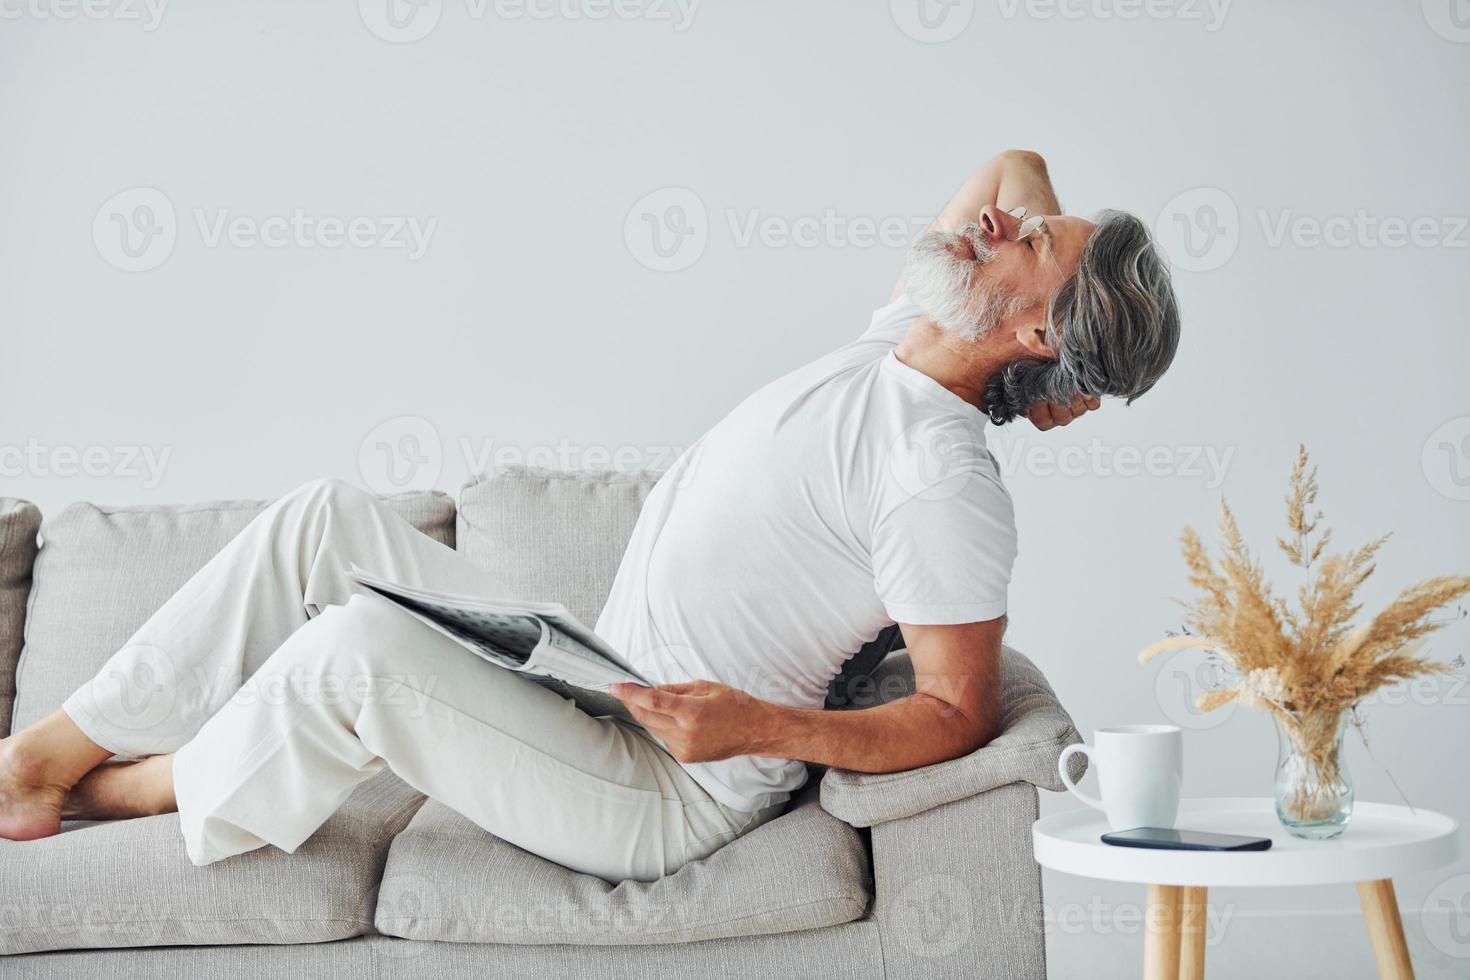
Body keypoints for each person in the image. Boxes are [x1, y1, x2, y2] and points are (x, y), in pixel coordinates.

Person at [0, 149, 1179, 882]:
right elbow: (1013, 160)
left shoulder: (942, 476)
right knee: (321, 523)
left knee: (356, 651)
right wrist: (1059, 363)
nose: (1001, 221)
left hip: (664, 784)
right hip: (602, 674)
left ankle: (117, 787)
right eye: (1023, 225)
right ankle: (51, 748)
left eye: (1029, 244)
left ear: (1029, 326)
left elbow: (957, 710)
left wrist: (760, 726)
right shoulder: (901, 346)